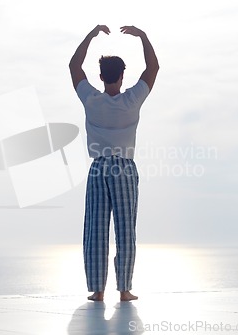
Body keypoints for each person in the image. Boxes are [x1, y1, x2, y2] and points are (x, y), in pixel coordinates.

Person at [69, 25, 159, 301]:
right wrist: (142, 36)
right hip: (123, 168)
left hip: (98, 168)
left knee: (96, 228)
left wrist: (91, 34)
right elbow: (153, 68)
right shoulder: (131, 100)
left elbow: (74, 66)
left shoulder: (91, 100)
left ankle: (98, 291)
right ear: (122, 76)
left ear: (100, 76)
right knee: (125, 229)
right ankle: (124, 290)